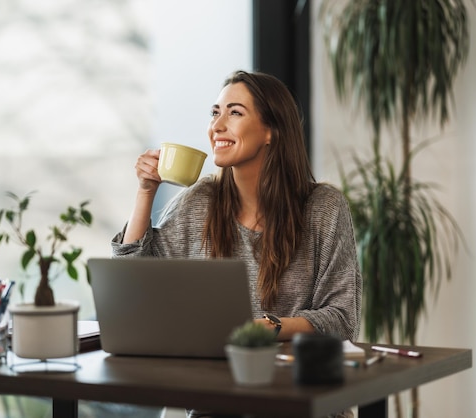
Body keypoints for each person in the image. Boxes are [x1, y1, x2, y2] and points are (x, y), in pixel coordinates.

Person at [112, 70, 362, 418]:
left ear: (271, 131)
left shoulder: (323, 208)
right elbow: (132, 288)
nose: (217, 126)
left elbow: (342, 318)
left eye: (235, 112)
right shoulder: (199, 201)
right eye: (215, 113)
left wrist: (270, 328)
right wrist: (145, 192)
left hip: (301, 401)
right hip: (218, 401)